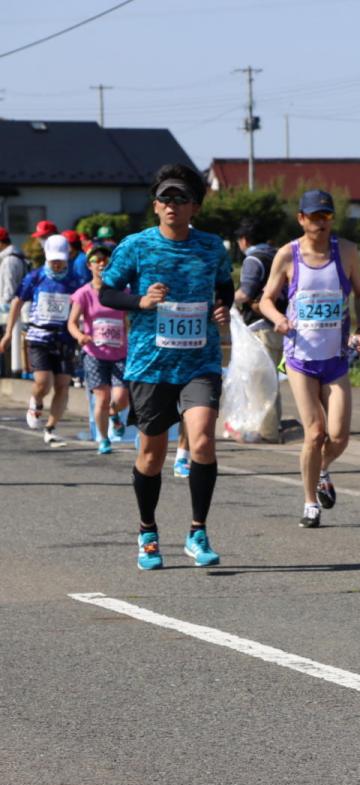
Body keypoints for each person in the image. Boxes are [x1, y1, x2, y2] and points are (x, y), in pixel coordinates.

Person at [99, 163, 234, 570]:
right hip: (150, 363)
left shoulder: (211, 247)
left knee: (203, 442)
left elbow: (223, 287)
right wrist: (139, 301)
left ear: (195, 206)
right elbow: (107, 291)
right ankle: (147, 532)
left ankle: (197, 532)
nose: (172, 205)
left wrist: (222, 309)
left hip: (200, 360)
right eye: (165, 199)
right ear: (155, 206)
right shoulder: (136, 246)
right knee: (152, 454)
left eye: (181, 199)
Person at [258, 190, 360, 528]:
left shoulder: (346, 252)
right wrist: (277, 318)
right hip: (300, 359)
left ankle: (321, 470)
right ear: (301, 219)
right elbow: (265, 299)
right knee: (315, 432)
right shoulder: (287, 255)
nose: (320, 223)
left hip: (335, 358)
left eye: (326, 216)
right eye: (313, 216)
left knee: (339, 436)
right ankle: (309, 503)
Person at [0, 234, 86, 445]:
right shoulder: (36, 277)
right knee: (42, 382)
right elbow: (17, 302)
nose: (57, 263)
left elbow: (85, 303)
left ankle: (51, 426)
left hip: (65, 337)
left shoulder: (75, 280)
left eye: (60, 259)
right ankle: (36, 401)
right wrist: (9, 333)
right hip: (39, 335)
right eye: (53, 259)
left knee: (63, 384)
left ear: (67, 257)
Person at [67, 245, 129, 454]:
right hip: (94, 353)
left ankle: (114, 414)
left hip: (120, 352)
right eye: (97, 260)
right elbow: (72, 323)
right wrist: (80, 336)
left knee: (121, 398)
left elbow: (127, 319)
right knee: (101, 397)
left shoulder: (123, 291)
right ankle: (103, 439)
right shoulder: (83, 293)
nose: (102, 263)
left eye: (106, 260)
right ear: (89, 265)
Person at [233, 218, 284, 442]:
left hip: (261, 326)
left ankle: (268, 432)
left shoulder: (254, 259)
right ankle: (271, 427)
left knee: (261, 381)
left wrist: (225, 300)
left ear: (244, 240)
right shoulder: (278, 255)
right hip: (282, 324)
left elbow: (245, 293)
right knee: (271, 379)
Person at [0, 227, 31, 377]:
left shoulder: (9, 260)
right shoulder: (16, 256)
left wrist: (4, 306)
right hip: (18, 308)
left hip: (11, 310)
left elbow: (9, 289)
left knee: (11, 345)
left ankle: (10, 374)